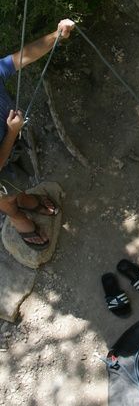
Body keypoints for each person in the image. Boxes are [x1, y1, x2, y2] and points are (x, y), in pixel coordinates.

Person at [0, 19, 75, 249]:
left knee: (17, 185)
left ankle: (22, 198)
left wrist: (56, 35)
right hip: (7, 148)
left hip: (11, 145)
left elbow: (22, 56)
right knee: (5, 199)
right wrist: (13, 131)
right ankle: (16, 216)